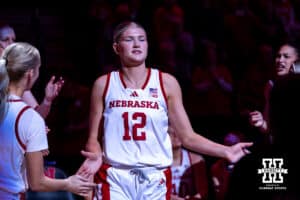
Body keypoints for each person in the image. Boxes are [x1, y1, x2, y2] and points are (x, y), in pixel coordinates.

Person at [77, 21, 253, 200]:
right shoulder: (103, 84)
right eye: (129, 39)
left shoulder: (166, 83)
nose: (137, 44)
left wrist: (226, 151)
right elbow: (93, 139)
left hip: (155, 178)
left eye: (142, 39)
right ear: (116, 48)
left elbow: (187, 137)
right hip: (115, 176)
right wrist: (95, 155)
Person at [0, 42, 95, 199]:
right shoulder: (30, 118)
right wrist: (68, 183)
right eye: (39, 69)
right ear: (31, 73)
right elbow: (37, 183)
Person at [0, 23, 64, 119]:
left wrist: (47, 100)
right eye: (5, 40)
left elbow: (37, 116)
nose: (11, 44)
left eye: (13, 40)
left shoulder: (16, 76)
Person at [248, 41, 299, 135]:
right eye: (278, 56)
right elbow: (268, 128)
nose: (280, 60)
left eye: (286, 57)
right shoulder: (271, 86)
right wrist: (261, 123)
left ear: (298, 62)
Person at [169, 126, 209, 200]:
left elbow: (203, 191)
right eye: (171, 133)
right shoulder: (157, 161)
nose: (176, 135)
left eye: (178, 132)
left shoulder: (196, 159)